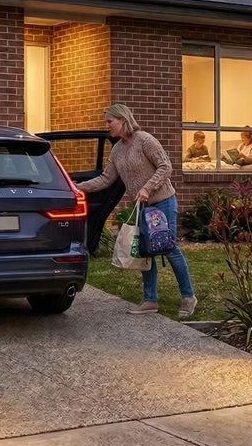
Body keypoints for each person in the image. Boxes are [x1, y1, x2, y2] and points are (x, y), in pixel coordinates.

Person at [75, 103, 197, 318]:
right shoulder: (117, 149)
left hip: (162, 203)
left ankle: (188, 297)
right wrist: (77, 187)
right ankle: (150, 300)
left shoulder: (145, 140)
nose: (107, 126)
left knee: (168, 248)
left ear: (123, 120)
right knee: (145, 251)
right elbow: (106, 179)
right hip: (142, 207)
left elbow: (165, 166)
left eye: (109, 122)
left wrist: (147, 188)